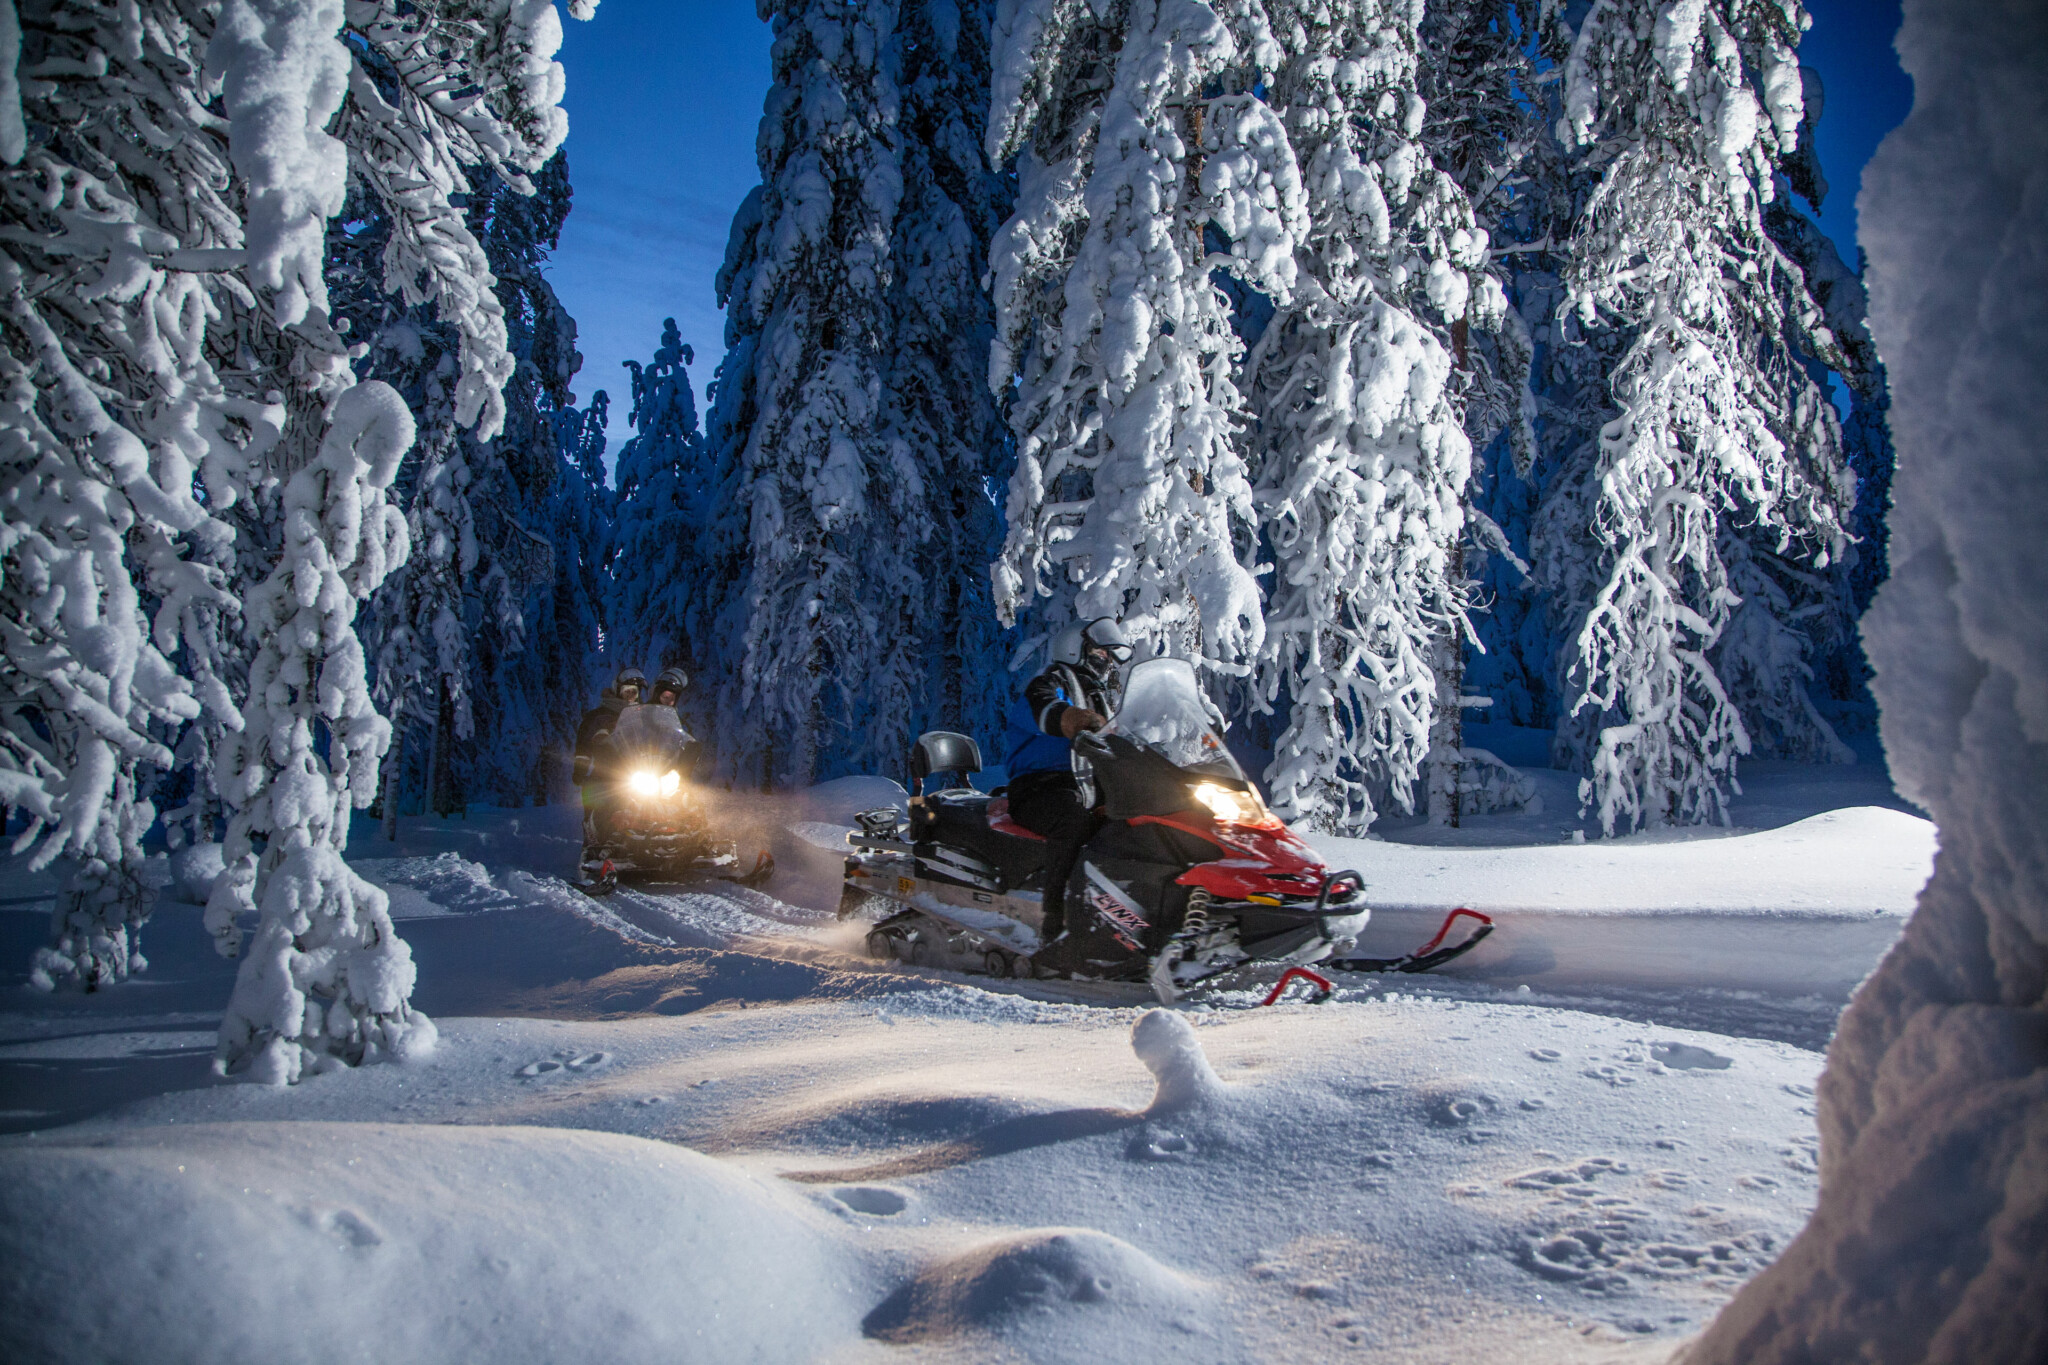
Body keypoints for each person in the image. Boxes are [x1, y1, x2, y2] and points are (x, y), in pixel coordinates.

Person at [1003, 617, 1131, 945]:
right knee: (1074, 822)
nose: (1107, 660)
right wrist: (1071, 718)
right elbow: (1044, 706)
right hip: (1038, 787)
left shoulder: (1100, 696)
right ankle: (1055, 919)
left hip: (1083, 787)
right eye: (1100, 652)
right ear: (1076, 649)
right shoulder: (1050, 682)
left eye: (1109, 655)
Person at [574, 667, 646, 862]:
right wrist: (581, 767)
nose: (630, 695)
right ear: (618, 690)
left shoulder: (643, 717)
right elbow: (584, 745)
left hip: (639, 770)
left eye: (634, 692)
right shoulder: (598, 716)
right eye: (627, 691)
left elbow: (658, 738)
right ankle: (596, 841)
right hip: (608, 771)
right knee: (602, 795)